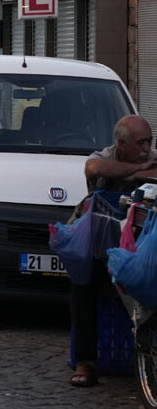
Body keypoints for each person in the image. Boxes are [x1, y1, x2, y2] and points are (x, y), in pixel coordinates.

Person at [69, 114, 157, 387]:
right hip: (102, 243)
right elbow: (94, 170)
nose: (147, 148)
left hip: (142, 244)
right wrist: (138, 171)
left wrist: (138, 170)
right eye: (141, 142)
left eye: (150, 142)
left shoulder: (153, 156)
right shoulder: (104, 154)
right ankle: (86, 361)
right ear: (121, 144)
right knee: (82, 281)